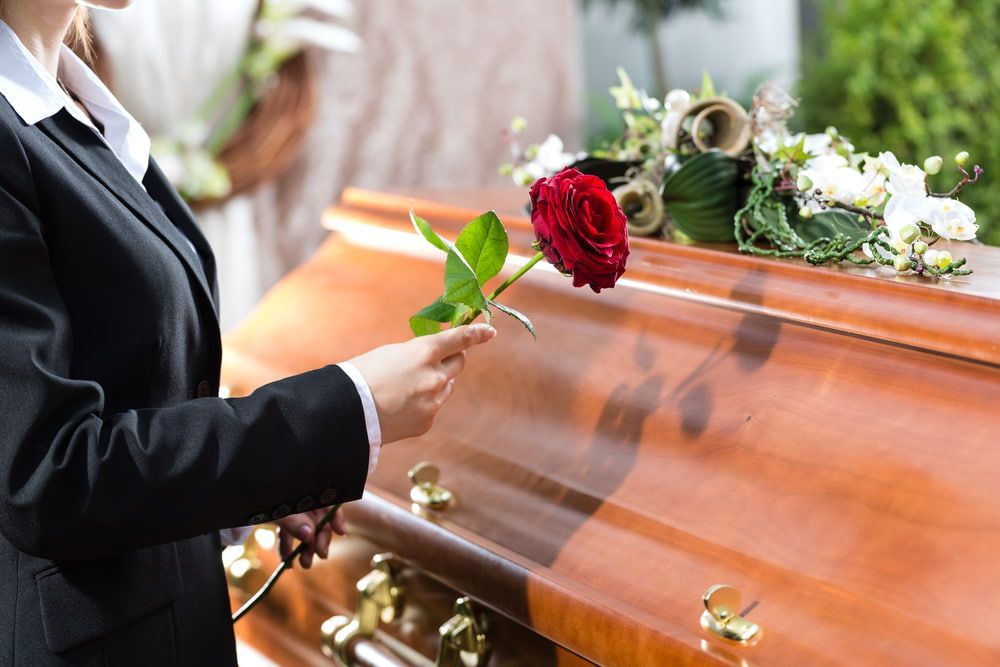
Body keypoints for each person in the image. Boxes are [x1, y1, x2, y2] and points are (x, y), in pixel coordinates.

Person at [0, 1, 496, 664]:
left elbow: (137, 401)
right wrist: (348, 406)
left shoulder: (75, 103)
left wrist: (250, 490)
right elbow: (50, 479)